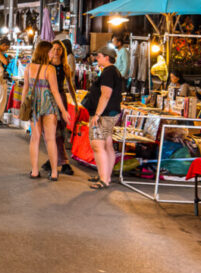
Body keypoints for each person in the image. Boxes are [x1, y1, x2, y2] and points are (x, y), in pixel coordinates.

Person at [21, 40, 71, 181]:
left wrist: (24, 106)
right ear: (44, 52)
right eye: (50, 51)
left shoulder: (28, 67)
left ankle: (35, 171)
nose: (52, 54)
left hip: (34, 106)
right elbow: (55, 91)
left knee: (34, 139)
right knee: (50, 140)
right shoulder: (50, 69)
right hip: (48, 105)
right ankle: (54, 173)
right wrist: (63, 110)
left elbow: (25, 89)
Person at [85, 45, 124, 189]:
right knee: (107, 144)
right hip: (111, 113)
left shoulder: (108, 72)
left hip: (105, 114)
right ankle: (105, 175)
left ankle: (103, 179)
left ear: (107, 57)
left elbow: (106, 94)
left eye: (99, 56)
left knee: (97, 144)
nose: (96, 58)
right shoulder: (113, 71)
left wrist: (97, 114)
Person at [41, 40, 78, 175]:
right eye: (54, 49)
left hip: (60, 99)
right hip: (47, 98)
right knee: (49, 132)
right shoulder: (46, 65)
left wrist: (75, 102)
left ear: (63, 51)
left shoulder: (65, 67)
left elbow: (70, 86)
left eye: (59, 49)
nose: (56, 51)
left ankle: (59, 161)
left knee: (59, 132)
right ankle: (58, 161)